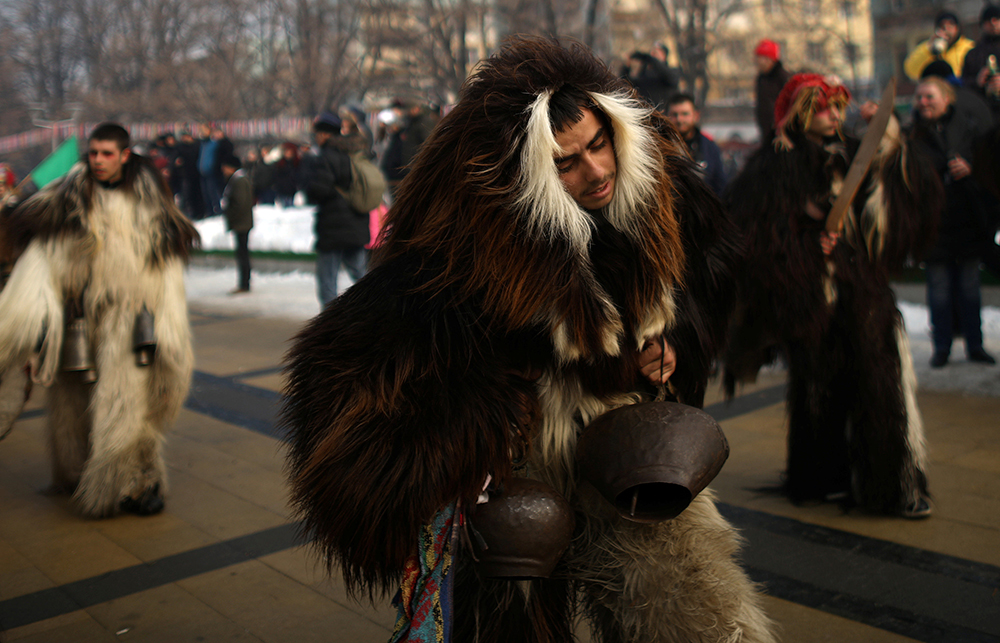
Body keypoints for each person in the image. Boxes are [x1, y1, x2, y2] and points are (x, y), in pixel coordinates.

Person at [282, 37, 775, 642]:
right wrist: (470, 423)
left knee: (699, 616)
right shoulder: (465, 250)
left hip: (625, 446)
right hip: (521, 467)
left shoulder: (661, 196)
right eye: (566, 162)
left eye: (599, 144)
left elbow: (710, 276)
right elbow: (335, 370)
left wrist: (671, 344)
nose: (595, 170)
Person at [723, 74, 943, 519]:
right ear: (799, 112)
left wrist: (890, 143)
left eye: (839, 106)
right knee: (816, 389)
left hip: (862, 295)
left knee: (879, 386)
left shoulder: (856, 152)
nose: (835, 115)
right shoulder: (772, 166)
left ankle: (891, 484)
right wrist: (805, 241)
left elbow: (899, 207)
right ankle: (820, 476)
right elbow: (749, 236)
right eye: (824, 107)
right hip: (807, 301)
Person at [0, 123, 198, 517]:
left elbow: (166, 277)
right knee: (72, 401)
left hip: (129, 322)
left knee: (127, 404)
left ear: (125, 155)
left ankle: (136, 483)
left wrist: (169, 335)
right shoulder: (67, 202)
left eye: (108, 153)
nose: (98, 161)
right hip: (78, 319)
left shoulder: (151, 209)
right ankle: (74, 473)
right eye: (93, 153)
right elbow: (43, 259)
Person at [909, 76, 997, 368]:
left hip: (967, 218)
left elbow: (986, 158)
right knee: (939, 289)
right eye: (919, 97)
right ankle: (942, 347)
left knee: (970, 288)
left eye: (929, 96)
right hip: (933, 223)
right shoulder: (912, 134)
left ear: (947, 99)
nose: (923, 102)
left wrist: (969, 167)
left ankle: (975, 345)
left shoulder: (967, 126)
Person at [302, 112, 369, 306]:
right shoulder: (353, 152)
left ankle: (328, 326)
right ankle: (380, 313)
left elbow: (320, 189)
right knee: (361, 275)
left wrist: (309, 188)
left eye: (317, 133)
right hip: (355, 221)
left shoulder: (327, 156)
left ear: (324, 134)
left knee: (327, 282)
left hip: (333, 226)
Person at [666, 93, 727, 195]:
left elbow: (720, 186)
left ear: (696, 115)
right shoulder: (661, 148)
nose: (679, 120)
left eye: (685, 114)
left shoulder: (709, 148)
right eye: (674, 114)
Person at [904, 10, 976, 81]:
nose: (947, 30)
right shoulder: (929, 47)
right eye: (942, 26)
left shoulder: (969, 47)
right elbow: (911, 71)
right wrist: (929, 50)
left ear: (957, 28)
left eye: (950, 25)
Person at [221, 155, 253, 294]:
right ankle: (244, 283)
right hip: (241, 222)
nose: (223, 170)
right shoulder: (237, 179)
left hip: (241, 223)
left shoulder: (239, 181)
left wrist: (231, 216)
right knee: (242, 253)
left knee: (242, 254)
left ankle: (244, 284)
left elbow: (240, 203)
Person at [962, 3, 1000, 116]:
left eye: (997, 19)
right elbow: (964, 84)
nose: (993, 23)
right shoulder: (974, 54)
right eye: (989, 20)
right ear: (982, 25)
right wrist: (977, 82)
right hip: (984, 112)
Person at [620, 41, 682, 111]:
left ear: (664, 55)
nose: (652, 55)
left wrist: (652, 60)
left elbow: (671, 79)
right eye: (651, 52)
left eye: (656, 53)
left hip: (663, 111)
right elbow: (627, 84)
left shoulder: (671, 71)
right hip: (645, 110)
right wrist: (627, 67)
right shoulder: (644, 73)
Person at [754, 38, 791, 143]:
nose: (758, 62)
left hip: (782, 133)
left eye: (761, 58)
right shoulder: (761, 78)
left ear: (770, 59)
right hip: (766, 132)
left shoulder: (782, 77)